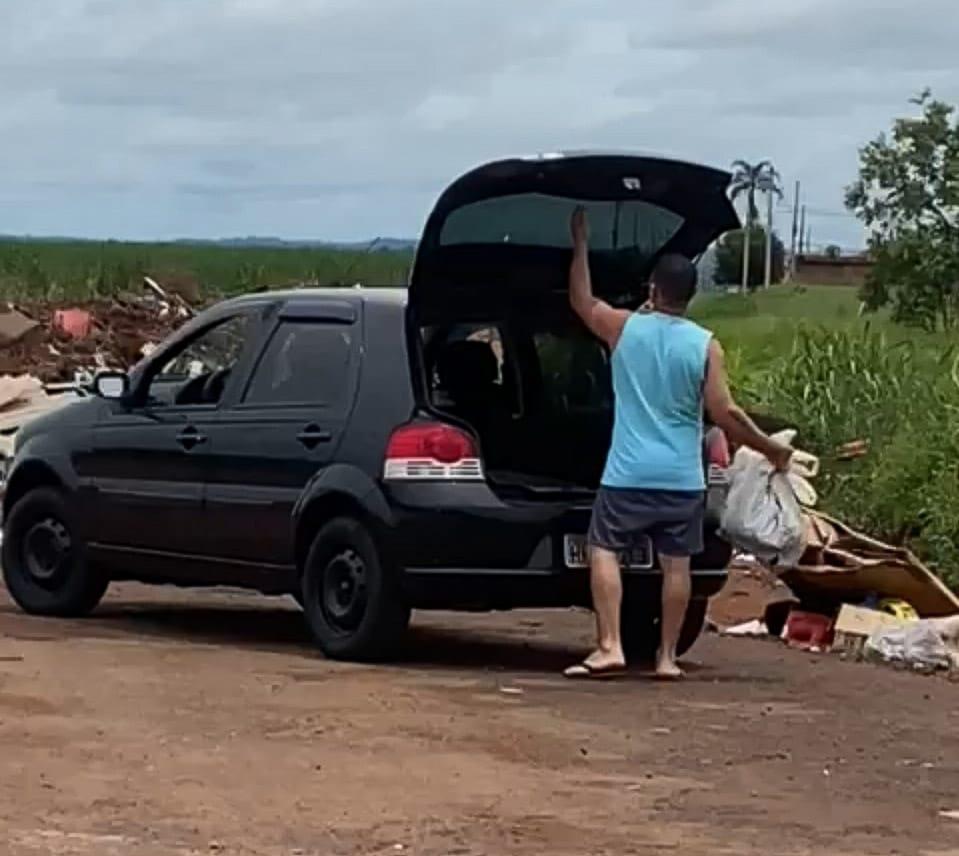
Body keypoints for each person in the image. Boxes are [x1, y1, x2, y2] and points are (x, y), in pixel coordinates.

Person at [564, 207, 793, 680]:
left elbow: (581, 299)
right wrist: (771, 448)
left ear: (652, 290)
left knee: (603, 548)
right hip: (682, 478)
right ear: (691, 297)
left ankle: (610, 646)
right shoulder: (705, 344)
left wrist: (581, 243)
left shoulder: (623, 327)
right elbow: (724, 413)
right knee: (677, 565)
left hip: (627, 474)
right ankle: (667, 658)